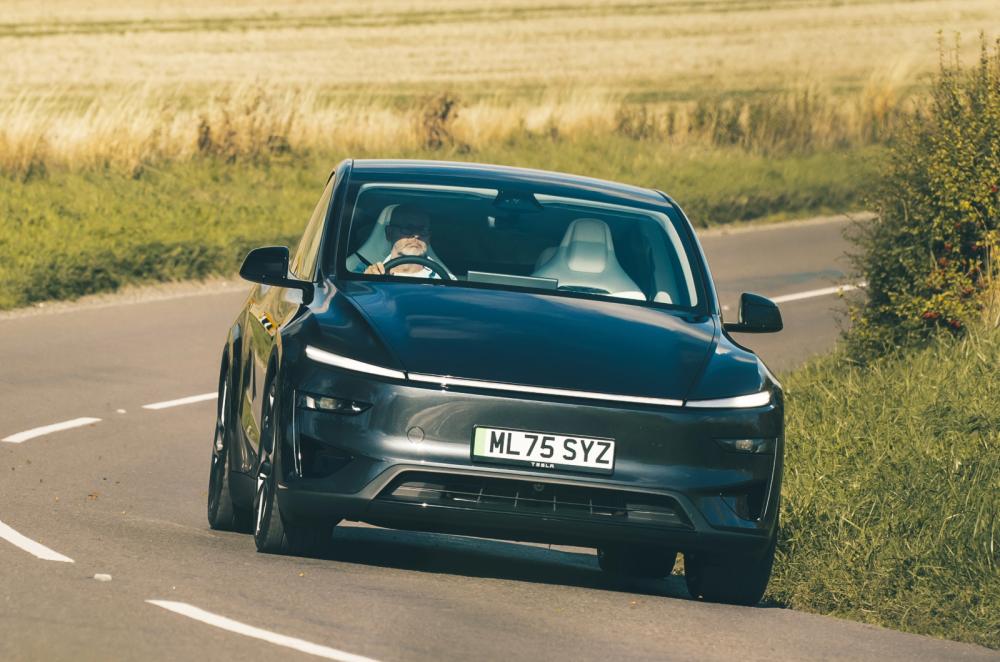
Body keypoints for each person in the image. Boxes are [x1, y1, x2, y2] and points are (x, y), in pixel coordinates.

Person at [363, 204, 440, 278]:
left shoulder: (446, 280)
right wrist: (367, 281)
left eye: (423, 230)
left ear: (429, 236)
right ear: (389, 233)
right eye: (408, 228)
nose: (416, 235)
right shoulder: (369, 274)